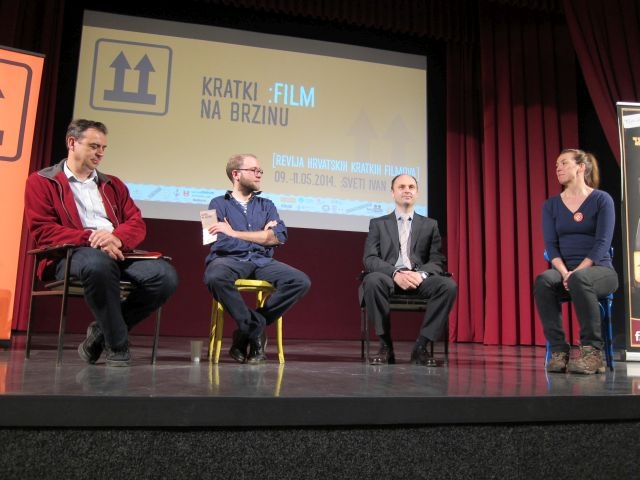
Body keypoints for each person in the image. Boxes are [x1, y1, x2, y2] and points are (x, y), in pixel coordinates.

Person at [24, 119, 178, 366]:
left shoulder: (113, 184)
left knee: (165, 276)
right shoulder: (42, 181)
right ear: (72, 143)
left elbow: (136, 223)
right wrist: (91, 238)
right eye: (94, 146)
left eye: (104, 148)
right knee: (98, 264)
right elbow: (44, 230)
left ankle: (100, 334)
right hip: (70, 254)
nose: (100, 153)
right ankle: (117, 345)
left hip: (116, 251)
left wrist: (116, 238)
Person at [203, 153, 311, 364]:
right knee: (214, 277)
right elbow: (217, 242)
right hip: (229, 260)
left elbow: (279, 237)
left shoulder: (267, 205)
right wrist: (262, 237)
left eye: (260, 170)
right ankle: (254, 329)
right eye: (253, 170)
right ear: (236, 174)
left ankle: (246, 331)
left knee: (300, 281)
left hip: (262, 262)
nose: (259, 174)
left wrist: (234, 233)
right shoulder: (215, 203)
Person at [534, 148, 618, 374]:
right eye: (556, 165)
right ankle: (559, 351)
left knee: (581, 278)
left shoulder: (601, 200)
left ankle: (592, 353)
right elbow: (551, 246)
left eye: (564, 163)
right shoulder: (551, 205)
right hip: (566, 273)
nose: (558, 168)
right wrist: (564, 273)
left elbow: (602, 243)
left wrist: (576, 272)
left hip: (600, 271)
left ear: (581, 167)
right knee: (543, 281)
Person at [360, 174, 457, 366]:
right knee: (372, 281)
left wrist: (420, 274)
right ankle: (385, 345)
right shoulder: (378, 224)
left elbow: (437, 260)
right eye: (402, 187)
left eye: (411, 187)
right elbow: (370, 258)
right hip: (389, 278)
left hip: (418, 279)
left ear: (417, 193)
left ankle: (421, 346)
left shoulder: (430, 225)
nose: (407, 190)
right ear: (392, 192)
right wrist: (395, 273)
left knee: (448, 286)